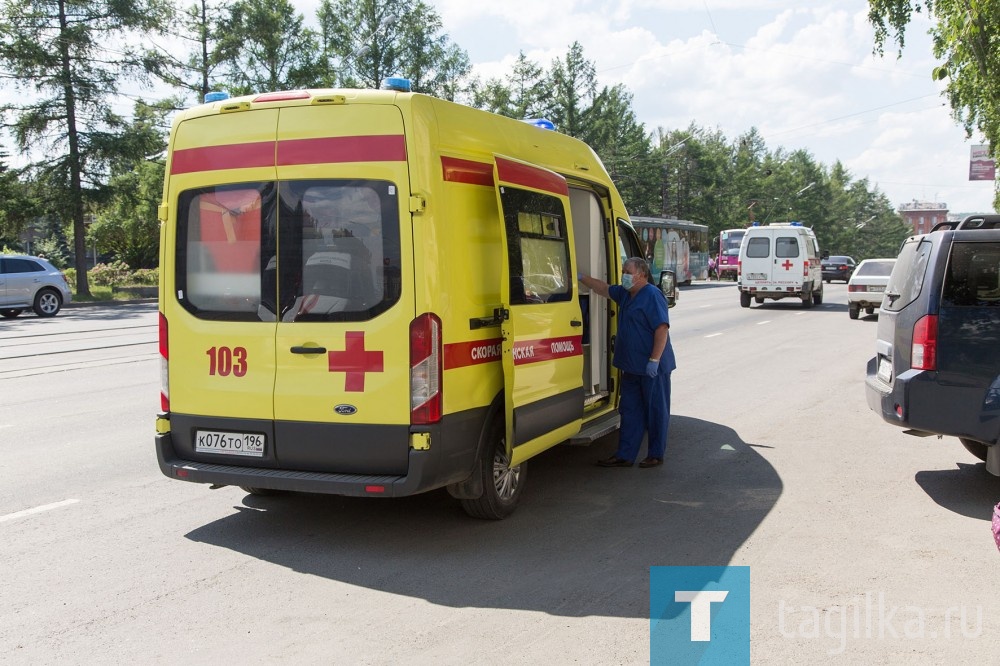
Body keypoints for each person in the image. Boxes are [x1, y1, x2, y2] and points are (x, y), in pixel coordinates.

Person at [579, 257, 676, 468]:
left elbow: (662, 329)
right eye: (623, 270)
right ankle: (625, 454)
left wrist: (654, 360)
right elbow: (603, 288)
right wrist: (580, 277)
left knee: (655, 411)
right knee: (630, 410)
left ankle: (655, 454)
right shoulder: (626, 294)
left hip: (652, 367)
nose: (623, 275)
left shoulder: (652, 295)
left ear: (641, 274)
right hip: (631, 366)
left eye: (627, 271)